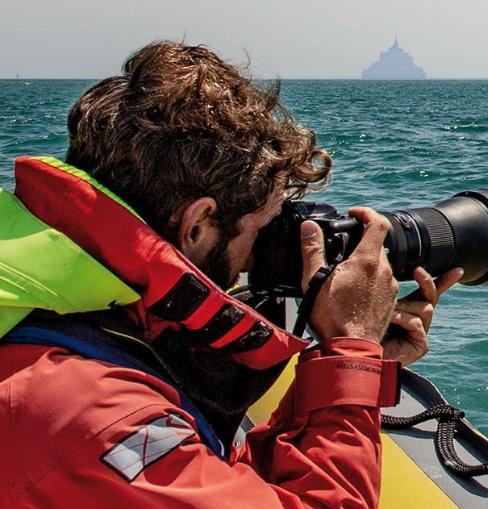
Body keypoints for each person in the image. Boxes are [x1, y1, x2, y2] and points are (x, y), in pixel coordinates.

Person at [0, 41, 462, 508]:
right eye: (262, 229)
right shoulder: (87, 411)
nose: (253, 260)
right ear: (197, 225)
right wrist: (349, 342)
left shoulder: (63, 306)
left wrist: (346, 365)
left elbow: (223, 483)